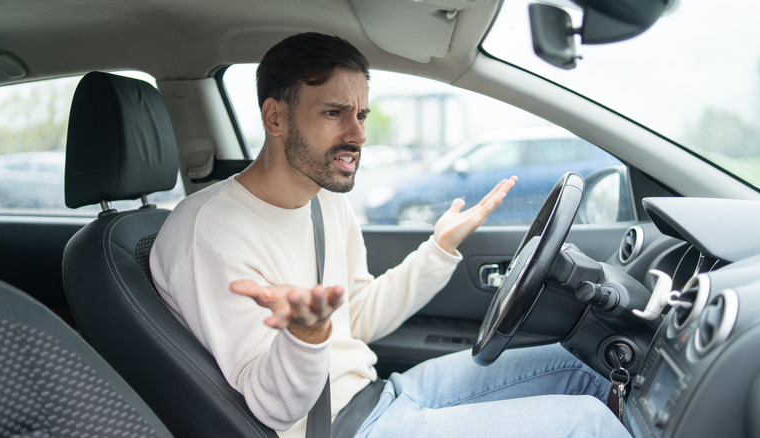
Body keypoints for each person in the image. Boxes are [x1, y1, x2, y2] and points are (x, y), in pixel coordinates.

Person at [149, 32, 630, 437]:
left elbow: (357, 318)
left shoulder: (326, 200)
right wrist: (307, 337)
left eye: (361, 115)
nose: (358, 135)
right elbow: (273, 407)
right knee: (586, 423)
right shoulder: (209, 234)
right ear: (275, 117)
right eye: (335, 113)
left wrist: (439, 248)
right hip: (336, 429)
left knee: (585, 367)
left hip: (379, 394)